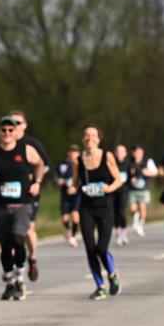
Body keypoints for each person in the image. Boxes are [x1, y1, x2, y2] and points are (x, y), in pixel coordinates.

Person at [0, 115, 45, 301]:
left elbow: (40, 164)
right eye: (3, 130)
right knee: (5, 246)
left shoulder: (26, 149)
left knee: (18, 239)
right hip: (2, 206)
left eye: (10, 130)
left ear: (16, 132)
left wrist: (37, 182)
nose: (7, 133)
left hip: (23, 204)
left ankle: (20, 279)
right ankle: (9, 282)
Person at [68, 125, 123, 300]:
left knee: (101, 248)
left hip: (105, 207)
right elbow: (75, 183)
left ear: (98, 139)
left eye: (93, 136)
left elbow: (119, 179)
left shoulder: (107, 156)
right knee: (90, 248)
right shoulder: (78, 160)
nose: (90, 138)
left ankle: (112, 275)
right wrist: (71, 189)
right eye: (87, 135)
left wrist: (109, 188)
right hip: (87, 208)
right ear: (83, 139)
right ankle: (100, 286)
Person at [9, 111, 49, 281]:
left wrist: (36, 181)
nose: (14, 126)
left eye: (18, 122)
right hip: (9, 195)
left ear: (25, 125)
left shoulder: (32, 144)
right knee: (12, 233)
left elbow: (45, 165)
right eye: (11, 122)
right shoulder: (5, 144)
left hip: (29, 194)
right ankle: (14, 267)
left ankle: (32, 259)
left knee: (28, 230)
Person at [127, 144, 158, 236]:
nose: (138, 154)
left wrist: (147, 172)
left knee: (142, 209)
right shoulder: (129, 162)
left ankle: (140, 225)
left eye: (139, 152)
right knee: (132, 208)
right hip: (132, 189)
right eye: (136, 152)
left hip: (144, 189)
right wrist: (131, 179)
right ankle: (135, 218)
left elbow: (155, 172)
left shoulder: (148, 161)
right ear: (133, 153)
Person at [56, 145, 81, 247]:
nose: (73, 154)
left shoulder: (81, 164)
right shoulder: (63, 164)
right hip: (65, 194)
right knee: (64, 218)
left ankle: (73, 236)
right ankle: (68, 229)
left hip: (77, 194)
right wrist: (59, 181)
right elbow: (57, 176)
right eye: (71, 151)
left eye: (75, 152)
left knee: (75, 214)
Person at [112, 144, 131, 246]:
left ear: (125, 153)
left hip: (124, 191)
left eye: (122, 152)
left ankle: (123, 232)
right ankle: (118, 231)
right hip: (113, 191)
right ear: (115, 153)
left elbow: (132, 177)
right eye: (118, 152)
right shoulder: (112, 164)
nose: (120, 154)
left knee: (121, 211)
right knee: (115, 212)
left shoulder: (128, 164)